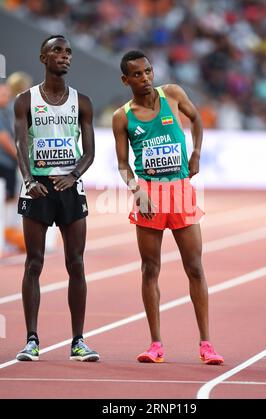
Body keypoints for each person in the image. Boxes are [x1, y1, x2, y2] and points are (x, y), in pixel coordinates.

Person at [112, 50, 224, 365]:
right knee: (150, 268)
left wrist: (197, 153)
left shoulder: (172, 94)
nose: (145, 78)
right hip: (148, 193)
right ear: (126, 79)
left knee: (195, 267)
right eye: (137, 74)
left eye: (148, 71)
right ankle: (156, 344)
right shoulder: (122, 116)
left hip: (179, 191)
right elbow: (122, 164)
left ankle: (206, 344)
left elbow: (198, 117)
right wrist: (136, 190)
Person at [14, 35, 99, 362]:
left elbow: (90, 152)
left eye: (68, 52)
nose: (64, 56)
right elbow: (22, 144)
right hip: (37, 188)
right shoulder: (25, 100)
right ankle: (31, 340)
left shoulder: (83, 102)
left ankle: (78, 341)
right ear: (42, 58)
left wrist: (74, 175)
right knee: (34, 262)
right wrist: (28, 179)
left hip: (70, 188)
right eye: (57, 51)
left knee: (76, 263)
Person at [0, 83, 25, 251]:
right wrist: (19, 156)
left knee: (9, 199)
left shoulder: (6, 111)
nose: (7, 97)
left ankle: (7, 236)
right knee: (6, 199)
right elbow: (3, 138)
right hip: (3, 162)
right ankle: (5, 238)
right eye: (4, 94)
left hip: (8, 163)